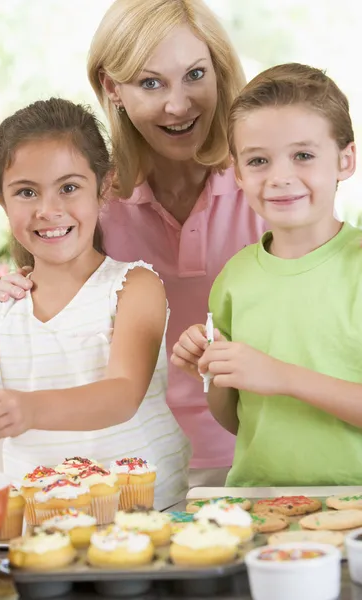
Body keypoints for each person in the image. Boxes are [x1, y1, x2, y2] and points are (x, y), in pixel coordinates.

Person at [0, 0, 265, 488]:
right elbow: (42, 302)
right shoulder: (88, 203)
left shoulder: (263, 184)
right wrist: (2, 299)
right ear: (114, 88)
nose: (178, 104)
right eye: (151, 82)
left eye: (195, 74)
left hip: (256, 452)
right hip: (126, 467)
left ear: (219, 72)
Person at [0, 97, 190, 509]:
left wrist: (28, 409)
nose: (48, 210)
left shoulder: (133, 286)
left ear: (103, 187)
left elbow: (122, 395)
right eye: (26, 192)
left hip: (144, 518)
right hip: (34, 528)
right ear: (1, 199)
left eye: (69, 188)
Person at [172, 63, 362, 486]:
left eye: (304, 156)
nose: (280, 177)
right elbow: (240, 422)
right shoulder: (235, 279)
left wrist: (282, 376)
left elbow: (273, 378)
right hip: (257, 503)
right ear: (238, 173)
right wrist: (211, 371)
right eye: (259, 160)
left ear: (345, 159)